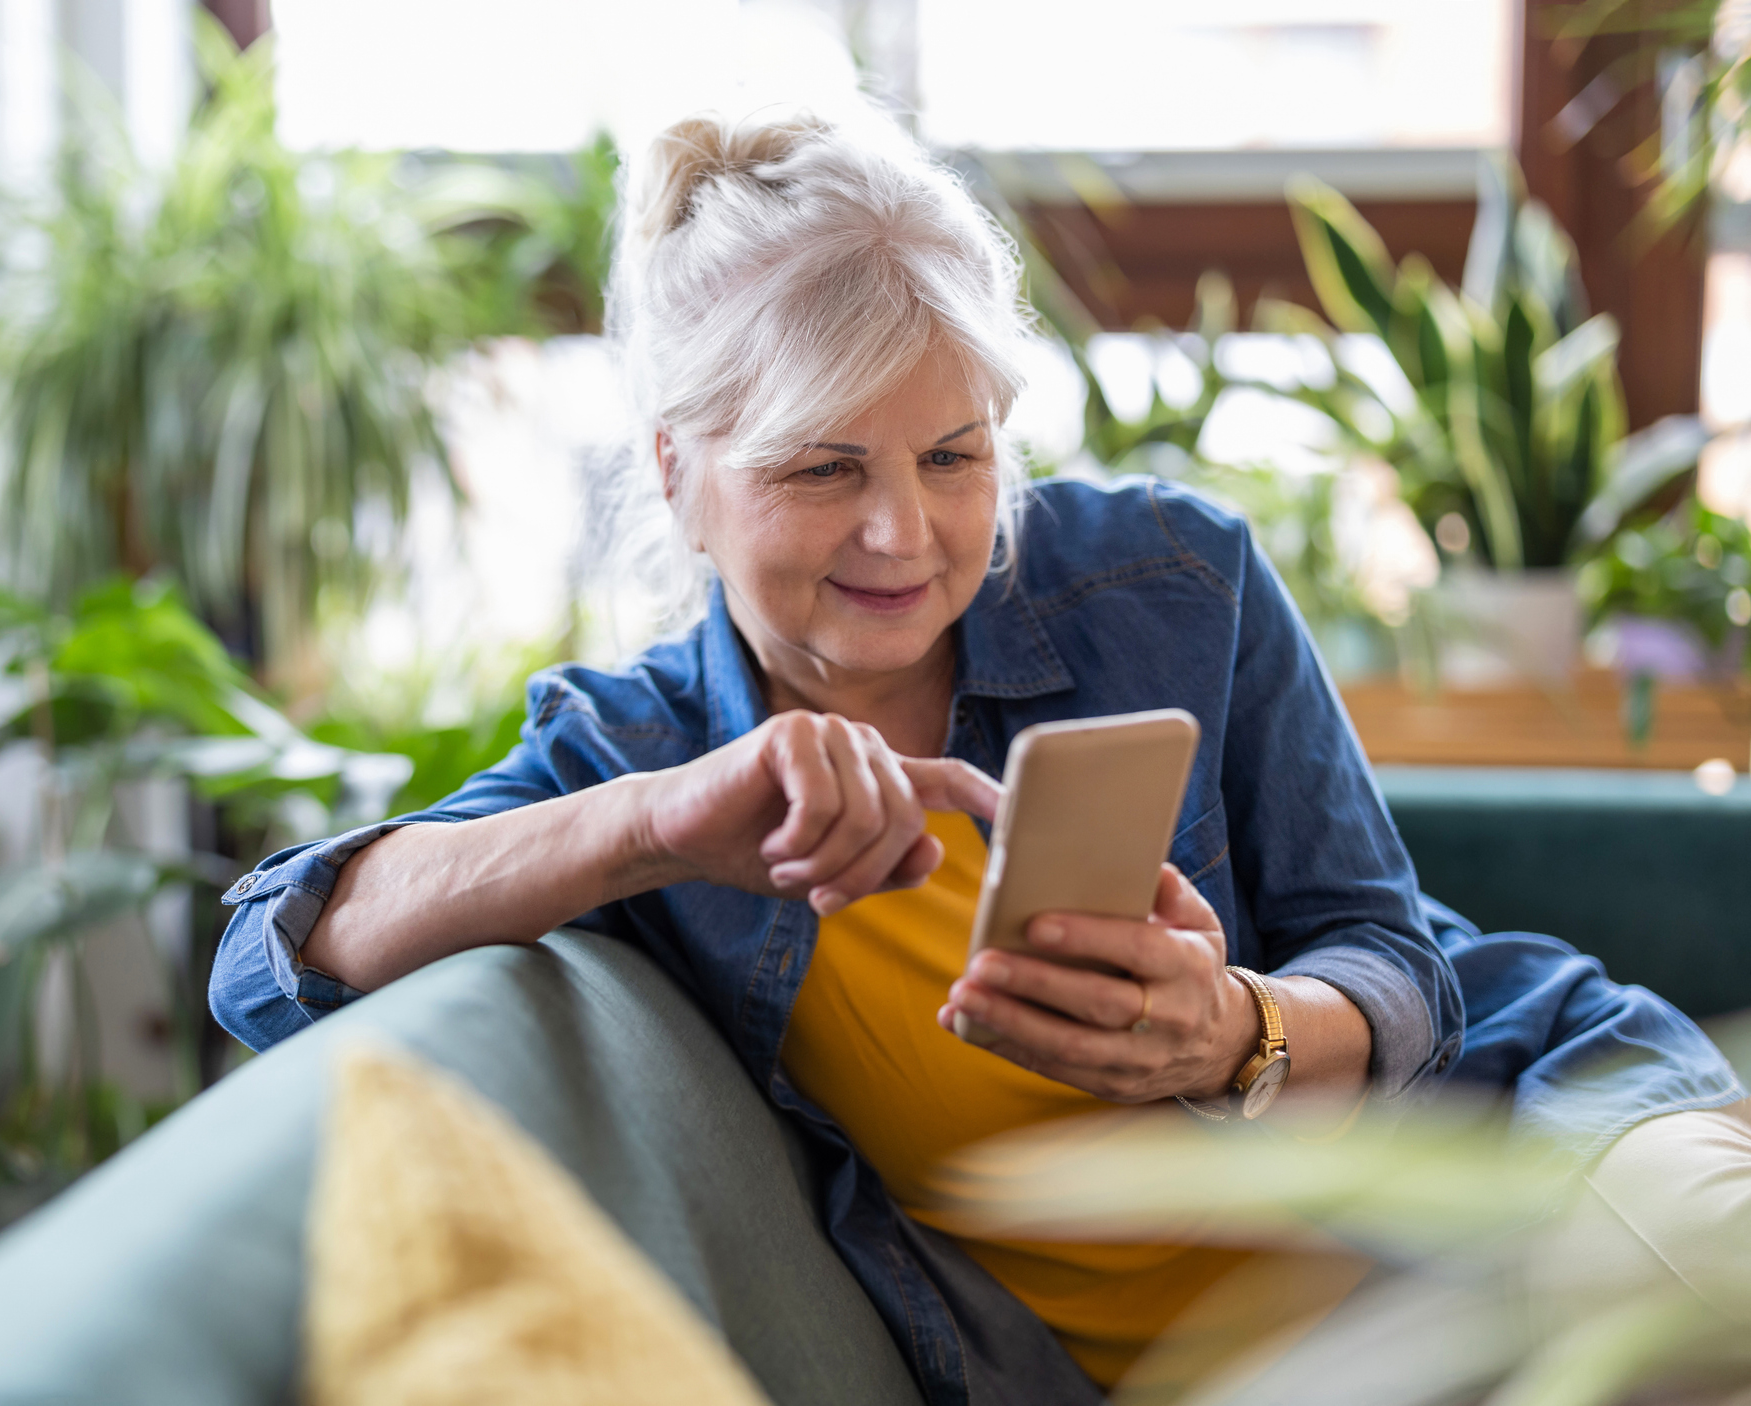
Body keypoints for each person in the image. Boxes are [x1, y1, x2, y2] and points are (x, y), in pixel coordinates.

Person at [210, 112, 1745, 1404]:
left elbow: (1404, 962)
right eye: (824, 466)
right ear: (679, 473)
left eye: (955, 454)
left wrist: (1238, 1032)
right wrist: (665, 822)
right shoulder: (648, 756)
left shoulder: (1165, 580)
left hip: (1521, 1139)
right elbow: (274, 956)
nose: (908, 532)